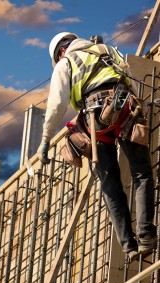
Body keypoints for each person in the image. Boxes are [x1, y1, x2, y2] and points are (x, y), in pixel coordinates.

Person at [37, 32, 157, 262]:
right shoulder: (108, 51)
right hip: (124, 108)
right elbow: (130, 80)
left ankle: (129, 246)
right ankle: (146, 236)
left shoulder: (66, 63)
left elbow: (57, 104)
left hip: (96, 119)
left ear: (61, 51)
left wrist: (45, 139)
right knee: (141, 173)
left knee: (110, 183)